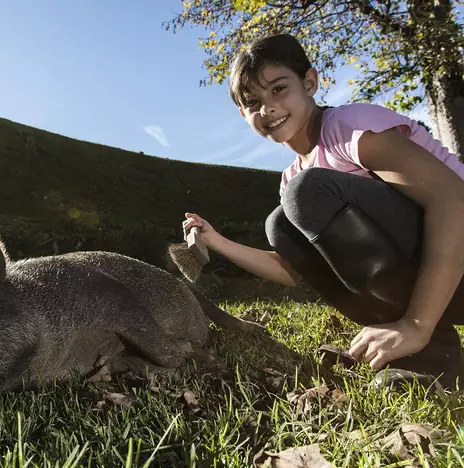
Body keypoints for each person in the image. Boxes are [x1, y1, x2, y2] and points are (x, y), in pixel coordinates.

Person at [181, 33, 464, 390]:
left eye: (278, 89)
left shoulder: (351, 127)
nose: (266, 108)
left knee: (305, 194)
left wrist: (417, 325)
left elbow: (453, 200)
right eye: (253, 102)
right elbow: (293, 270)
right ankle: (395, 342)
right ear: (243, 114)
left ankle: (433, 355)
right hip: (439, 283)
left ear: (310, 82)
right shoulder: (293, 178)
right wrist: (215, 239)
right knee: (280, 222)